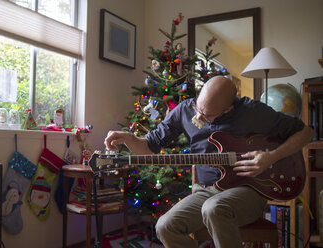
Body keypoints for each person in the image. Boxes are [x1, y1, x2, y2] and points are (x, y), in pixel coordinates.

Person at [104, 76, 314, 248]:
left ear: (228, 109)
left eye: (207, 115)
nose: (198, 116)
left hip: (250, 189)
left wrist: (270, 157)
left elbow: (306, 132)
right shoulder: (186, 110)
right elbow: (150, 147)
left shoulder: (253, 112)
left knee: (214, 208)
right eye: (198, 107)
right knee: (165, 226)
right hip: (208, 190)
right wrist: (129, 139)